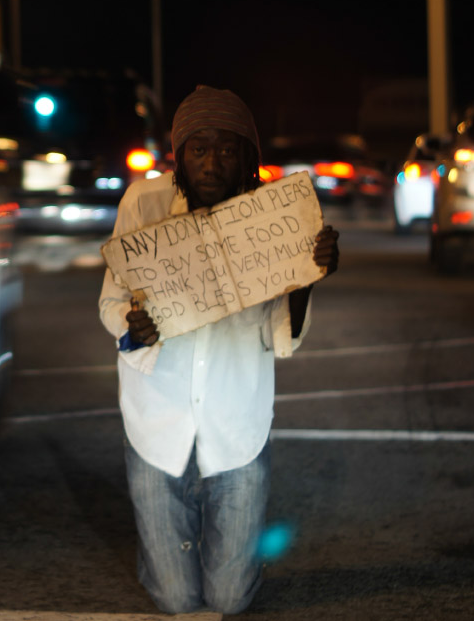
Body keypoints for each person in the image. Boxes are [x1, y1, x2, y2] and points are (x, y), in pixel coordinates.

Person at [98, 85, 340, 616]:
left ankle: (231, 561)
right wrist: (135, 326)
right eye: (199, 149)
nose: (212, 164)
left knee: (229, 598)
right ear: (179, 154)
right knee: (175, 599)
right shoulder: (144, 203)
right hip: (157, 419)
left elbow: (283, 332)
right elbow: (112, 302)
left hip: (236, 424)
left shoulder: (271, 217)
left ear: (247, 157)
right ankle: (164, 561)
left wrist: (308, 277)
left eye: (228, 150)